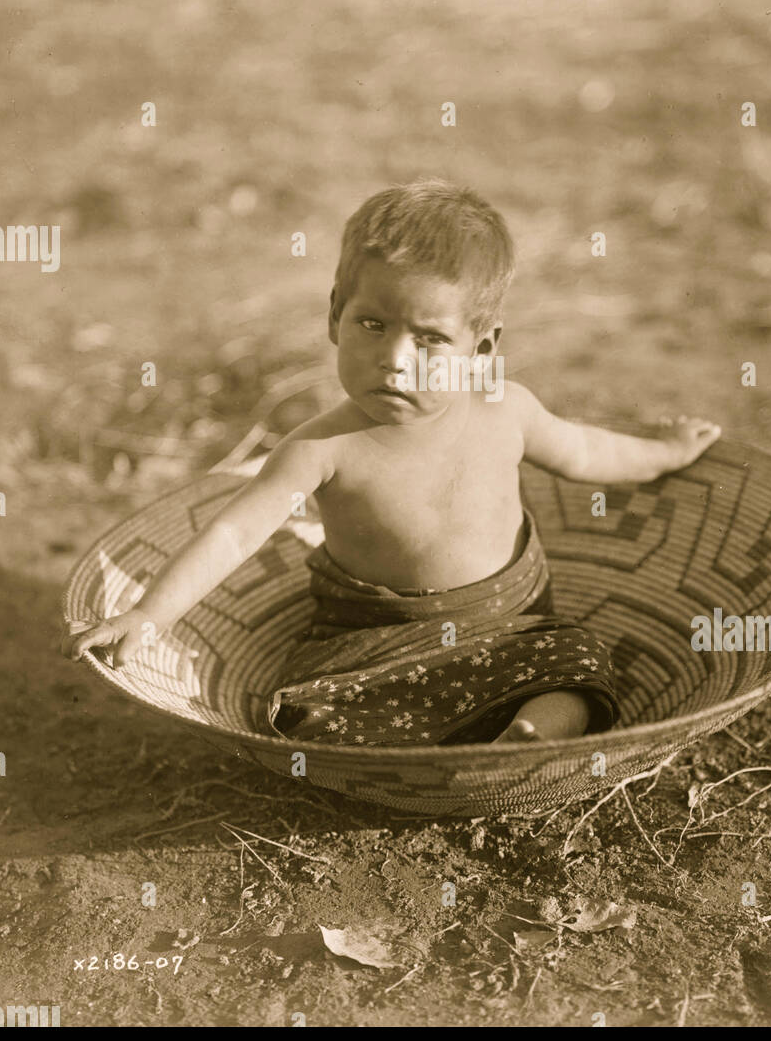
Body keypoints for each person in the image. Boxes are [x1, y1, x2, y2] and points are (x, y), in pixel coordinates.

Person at [66, 180, 719, 746]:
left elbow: (585, 452)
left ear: (482, 349)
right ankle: (444, 738)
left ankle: (522, 739)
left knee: (577, 658)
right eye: (372, 325)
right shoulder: (320, 449)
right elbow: (234, 532)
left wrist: (665, 452)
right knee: (306, 707)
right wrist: (151, 616)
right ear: (333, 318)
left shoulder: (505, 410)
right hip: (377, 649)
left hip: (509, 636)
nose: (396, 359)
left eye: (431, 338)